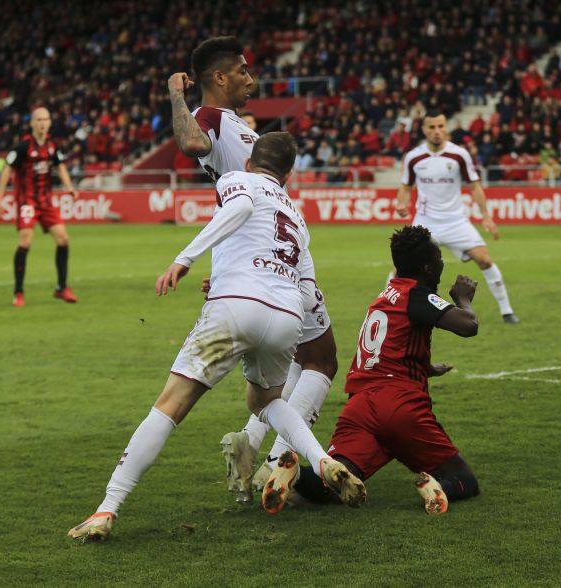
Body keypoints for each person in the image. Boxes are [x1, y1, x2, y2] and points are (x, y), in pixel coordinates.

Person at [67, 133, 366, 543]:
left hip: (234, 308)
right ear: (290, 173)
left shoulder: (234, 181)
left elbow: (241, 207)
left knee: (171, 405)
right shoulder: (296, 215)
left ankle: (107, 508)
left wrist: (184, 258)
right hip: (286, 315)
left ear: (248, 163)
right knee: (265, 402)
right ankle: (320, 460)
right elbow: (304, 282)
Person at [167, 36, 339, 503]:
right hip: (270, 266)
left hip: (262, 254)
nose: (252, 77)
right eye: (243, 70)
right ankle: (278, 463)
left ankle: (252, 444)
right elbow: (188, 143)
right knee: (321, 358)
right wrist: (175, 94)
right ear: (218, 77)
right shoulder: (209, 119)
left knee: (299, 365)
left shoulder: (239, 125)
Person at [262, 226, 481, 515]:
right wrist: (462, 297)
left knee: (332, 484)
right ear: (428, 266)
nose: (442, 262)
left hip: (361, 407)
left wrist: (424, 368)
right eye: (439, 257)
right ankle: (438, 487)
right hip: (400, 405)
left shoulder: (386, 293)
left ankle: (296, 476)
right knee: (464, 480)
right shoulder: (417, 295)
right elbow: (468, 325)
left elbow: (388, 347)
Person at [396, 111, 519, 324]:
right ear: (424, 130)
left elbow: (475, 186)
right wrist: (401, 203)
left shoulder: (459, 154)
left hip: (456, 221)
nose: (437, 131)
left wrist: (486, 217)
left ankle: (507, 311)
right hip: (426, 221)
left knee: (485, 259)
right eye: (432, 127)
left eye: (441, 126)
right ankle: (392, 308)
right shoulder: (413, 157)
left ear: (446, 128)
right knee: (403, 268)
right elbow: (406, 187)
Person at [0, 107, 80, 306]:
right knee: (25, 242)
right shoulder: (23, 147)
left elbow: (60, 167)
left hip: (46, 202)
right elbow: (7, 170)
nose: (43, 123)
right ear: (32, 123)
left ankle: (61, 288)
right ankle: (18, 292)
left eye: (46, 119)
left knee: (63, 239)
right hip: (27, 202)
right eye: (39, 119)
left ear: (50, 122)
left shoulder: (52, 146)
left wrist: (69, 187)